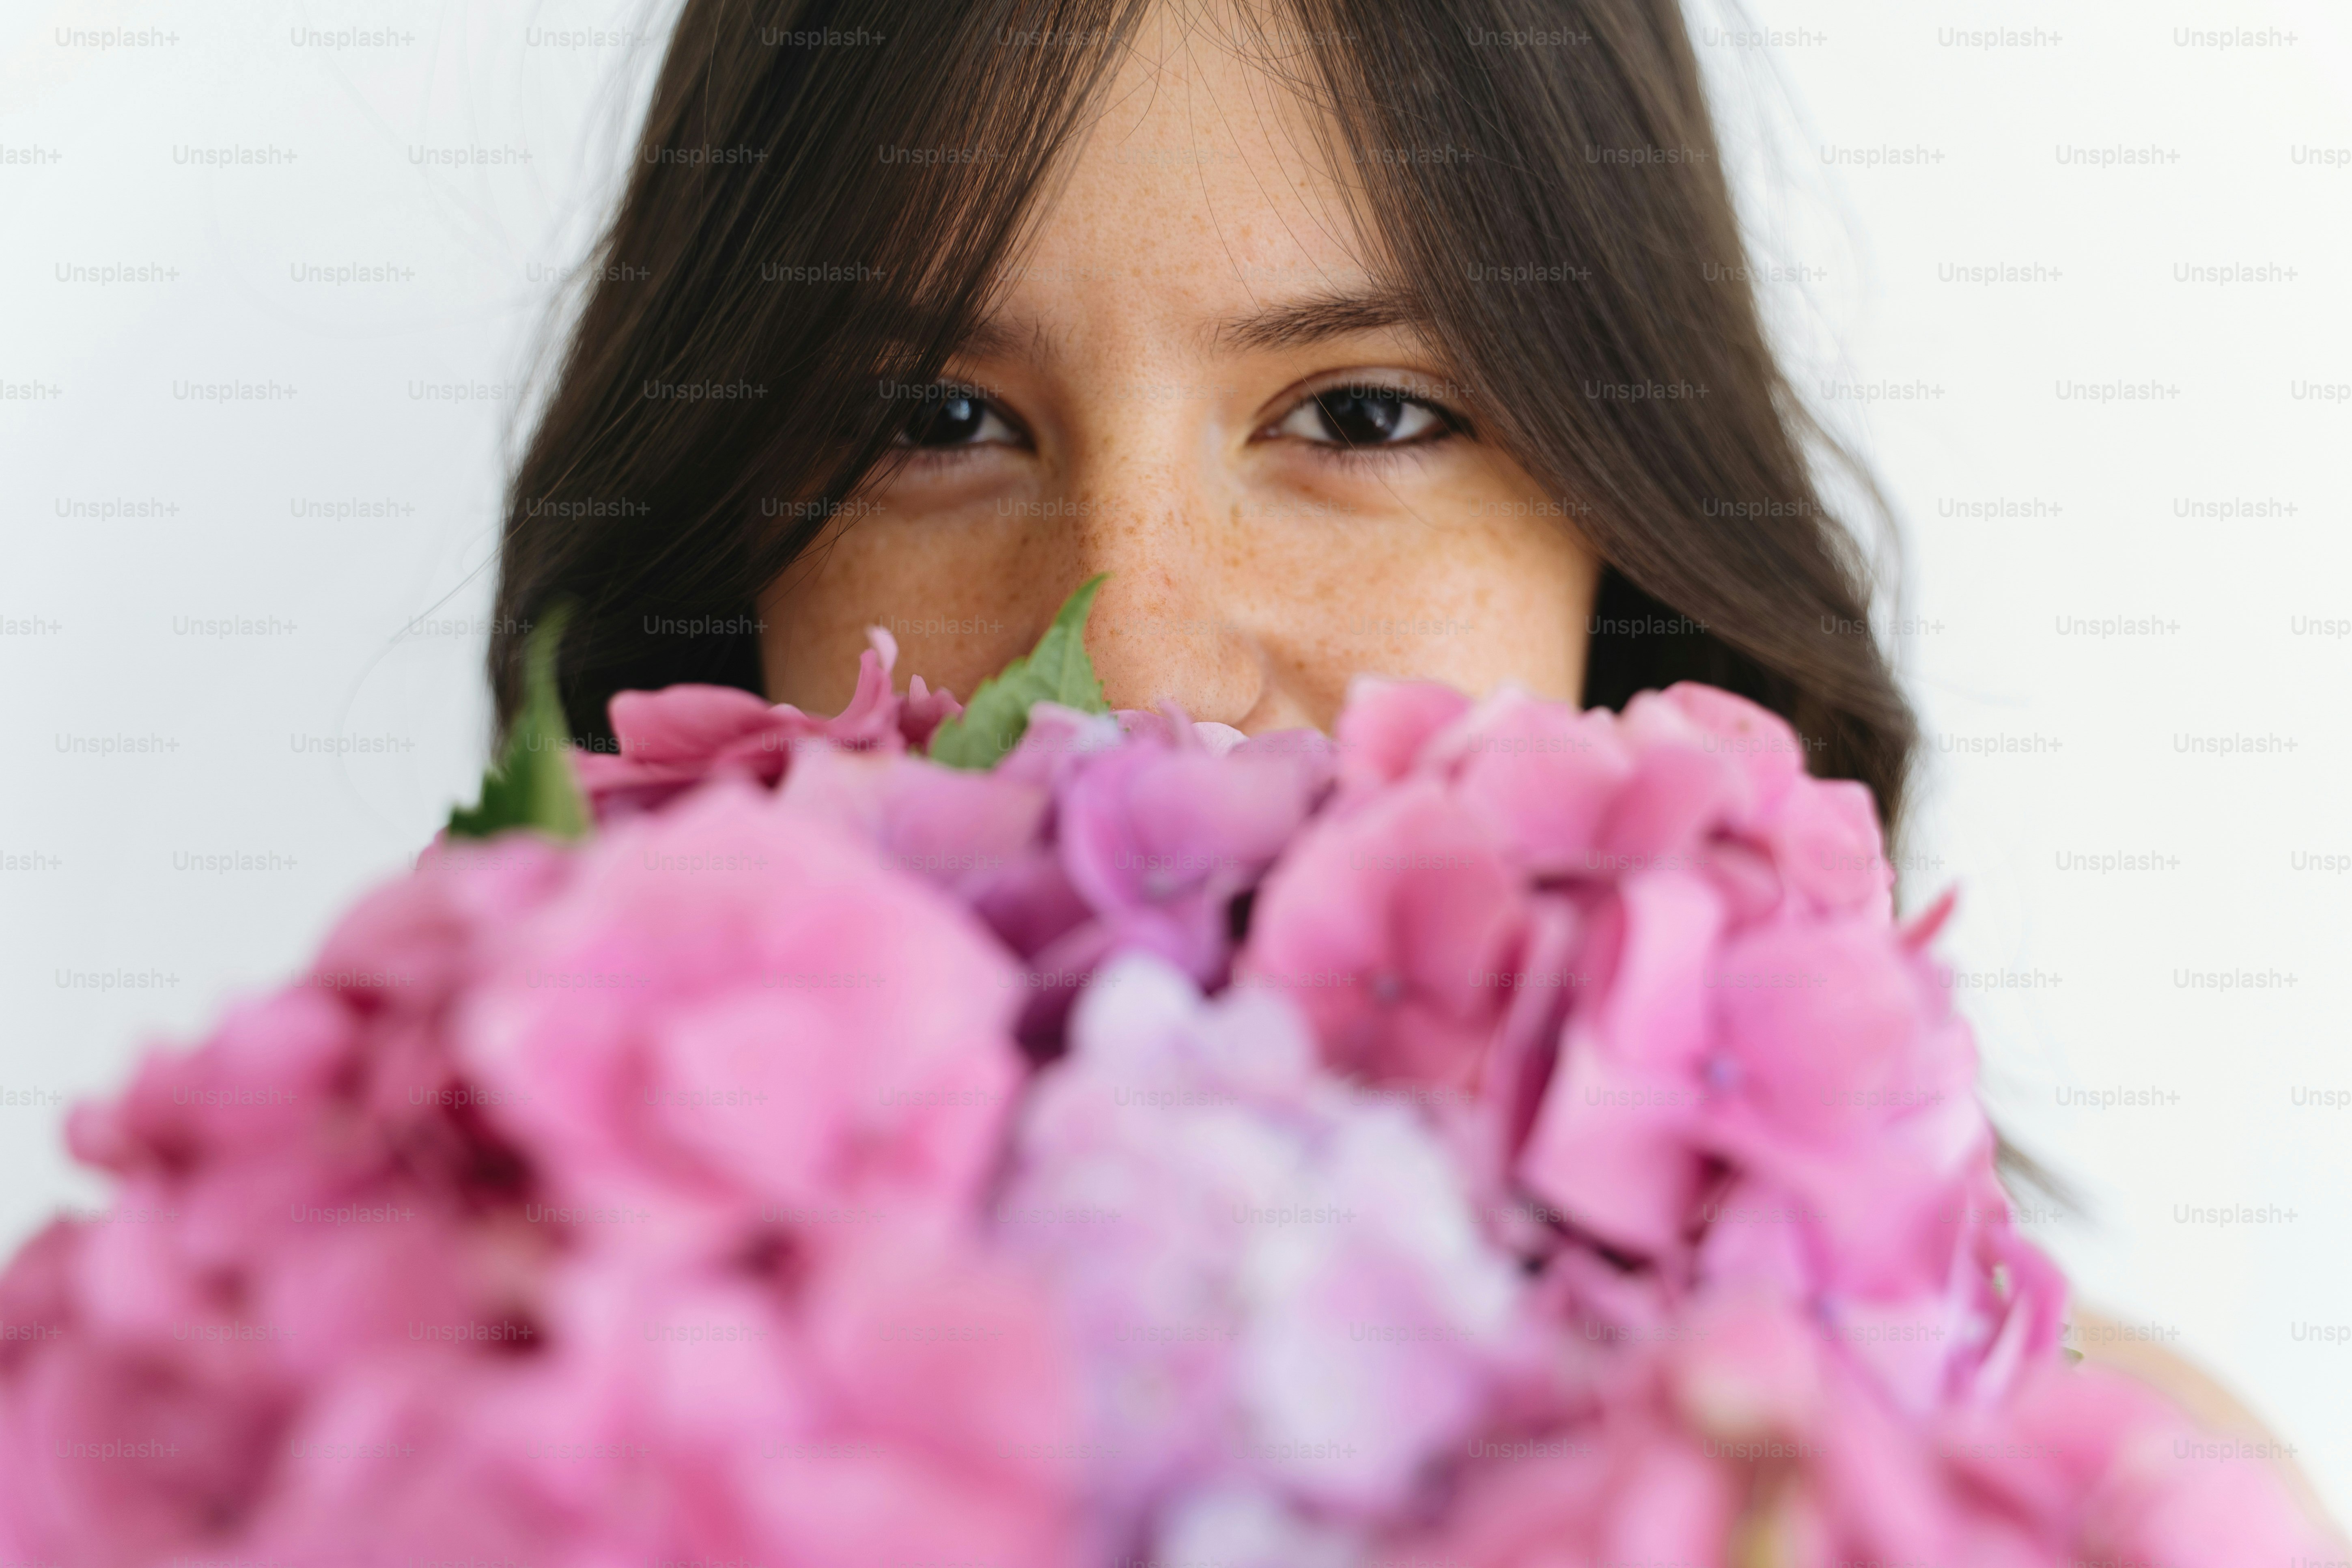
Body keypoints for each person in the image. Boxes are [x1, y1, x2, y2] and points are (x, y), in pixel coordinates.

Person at [489, 0, 2331, 1533]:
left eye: (1364, 415)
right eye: (936, 420)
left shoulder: (2090, 1516)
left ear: (1627, 547)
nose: (1135, 671)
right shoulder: (439, 1442)